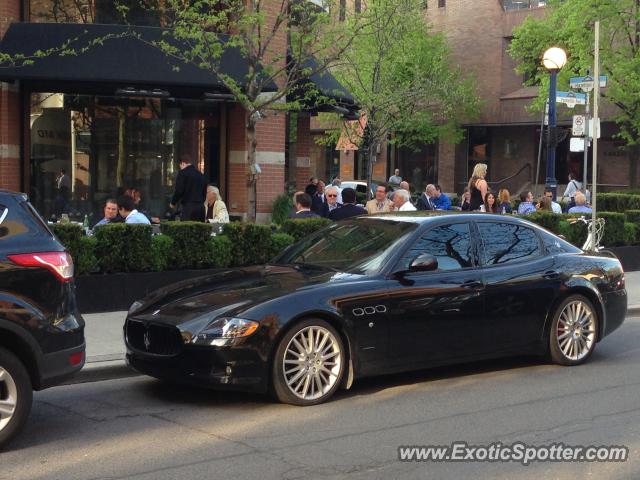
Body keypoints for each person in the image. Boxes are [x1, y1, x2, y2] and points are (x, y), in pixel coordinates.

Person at [170, 155, 207, 221]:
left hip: (188, 207)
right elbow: (204, 192)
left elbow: (179, 190)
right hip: (201, 207)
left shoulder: (183, 173)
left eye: (180, 166)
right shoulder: (200, 175)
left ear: (183, 163)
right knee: (200, 229)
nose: (180, 168)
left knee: (187, 229)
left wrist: (173, 202)